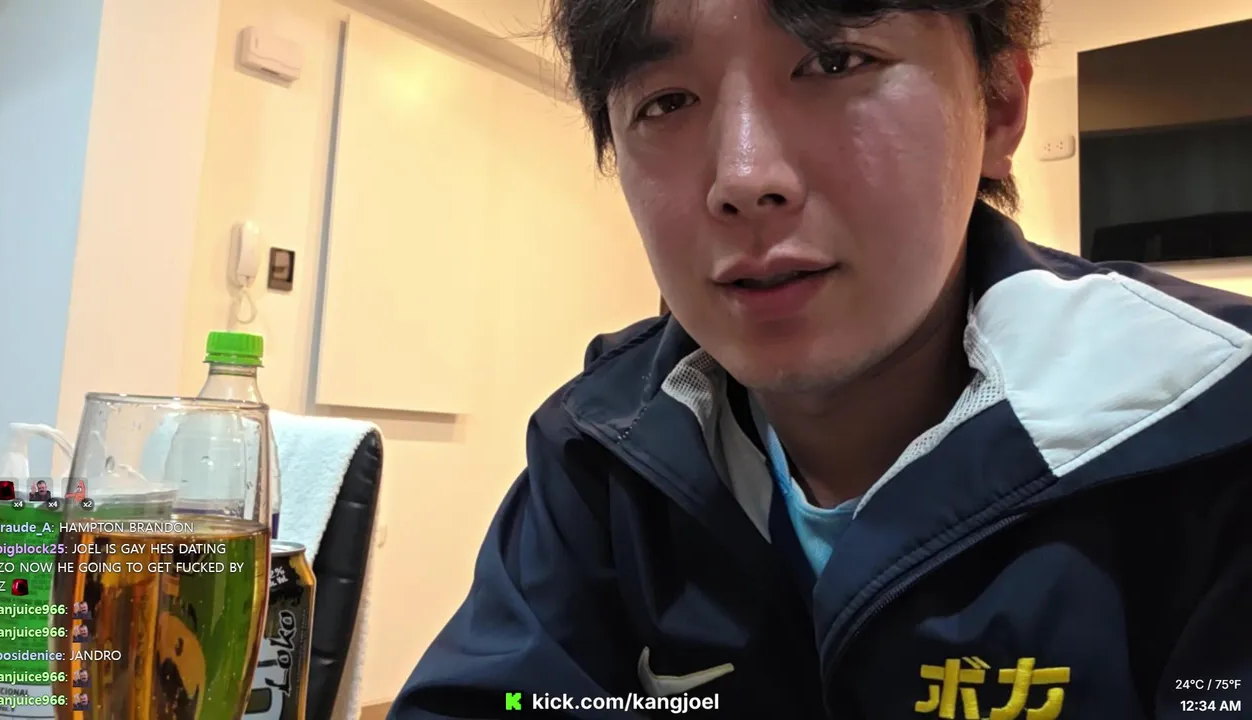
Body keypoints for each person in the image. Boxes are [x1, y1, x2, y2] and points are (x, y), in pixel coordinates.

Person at [391, 0, 1252, 717]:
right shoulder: (600, 446)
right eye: (665, 102)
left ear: (995, 107)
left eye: (835, 62)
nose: (743, 177)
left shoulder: (1214, 423)